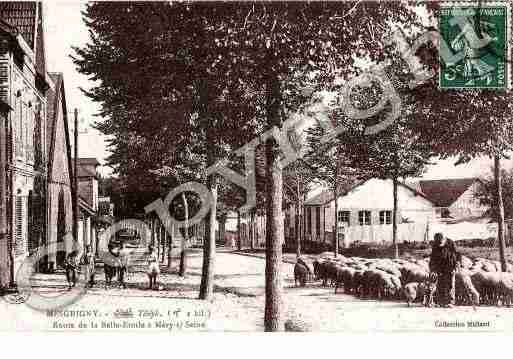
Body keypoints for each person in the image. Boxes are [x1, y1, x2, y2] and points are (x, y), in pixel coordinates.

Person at [429, 232, 459, 308]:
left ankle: (450, 302)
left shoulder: (451, 243)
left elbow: (458, 255)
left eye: (441, 243)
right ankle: (441, 302)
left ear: (444, 239)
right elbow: (432, 258)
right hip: (440, 268)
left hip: (450, 266)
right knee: (440, 284)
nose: (439, 245)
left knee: (450, 284)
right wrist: (433, 269)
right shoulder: (435, 245)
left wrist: (456, 265)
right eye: (438, 243)